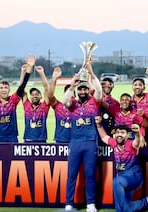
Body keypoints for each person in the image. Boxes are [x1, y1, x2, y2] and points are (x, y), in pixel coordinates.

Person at [62, 61, 102, 212]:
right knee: (71, 175)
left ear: (88, 91)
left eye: (85, 89)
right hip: (75, 143)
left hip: (90, 142)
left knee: (90, 174)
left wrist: (91, 73)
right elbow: (64, 101)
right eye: (81, 89)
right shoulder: (72, 104)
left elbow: (98, 91)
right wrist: (72, 85)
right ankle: (69, 203)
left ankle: (90, 203)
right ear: (78, 92)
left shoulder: (94, 103)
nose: (83, 91)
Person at [95, 117, 148, 212]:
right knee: (125, 208)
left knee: (116, 181)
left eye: (122, 133)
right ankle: (147, 201)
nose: (119, 135)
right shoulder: (114, 143)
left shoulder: (130, 144)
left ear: (127, 136)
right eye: (117, 132)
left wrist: (137, 133)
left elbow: (137, 142)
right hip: (123, 178)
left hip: (134, 177)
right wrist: (99, 125)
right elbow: (104, 137)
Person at [21, 65, 50, 142]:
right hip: (28, 139)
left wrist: (41, 73)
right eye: (32, 95)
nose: (35, 96)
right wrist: (23, 72)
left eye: (37, 94)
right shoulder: (26, 105)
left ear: (41, 96)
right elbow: (21, 89)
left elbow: (47, 89)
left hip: (41, 140)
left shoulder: (44, 106)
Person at [47, 67, 73, 143]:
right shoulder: (58, 106)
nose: (69, 96)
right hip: (60, 141)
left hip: (75, 141)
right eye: (67, 93)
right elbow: (50, 96)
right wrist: (54, 78)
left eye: (71, 93)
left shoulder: (79, 107)